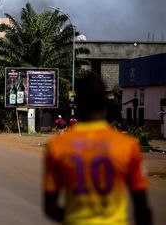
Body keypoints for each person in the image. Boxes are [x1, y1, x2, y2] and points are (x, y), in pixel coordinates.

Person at [43, 74, 152, 225]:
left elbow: (50, 208)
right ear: (105, 103)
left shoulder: (57, 145)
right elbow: (142, 209)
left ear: (78, 103)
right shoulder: (127, 145)